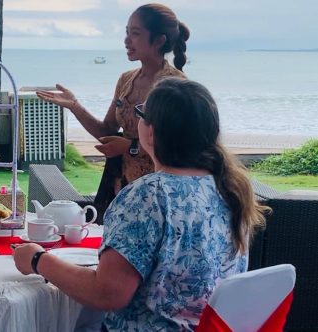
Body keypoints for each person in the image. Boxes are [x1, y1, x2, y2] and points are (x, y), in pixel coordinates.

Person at [14, 78, 269, 331]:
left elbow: (108, 294)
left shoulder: (148, 197)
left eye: (141, 114)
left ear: (150, 131)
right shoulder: (229, 189)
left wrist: (37, 259)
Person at [37, 3, 190, 221]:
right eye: (127, 32)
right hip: (120, 187)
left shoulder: (174, 85)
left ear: (159, 40)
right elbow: (106, 130)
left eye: (135, 34)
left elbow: (180, 148)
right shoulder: (126, 79)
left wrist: (129, 147)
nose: (126, 40)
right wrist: (75, 106)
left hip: (158, 191)